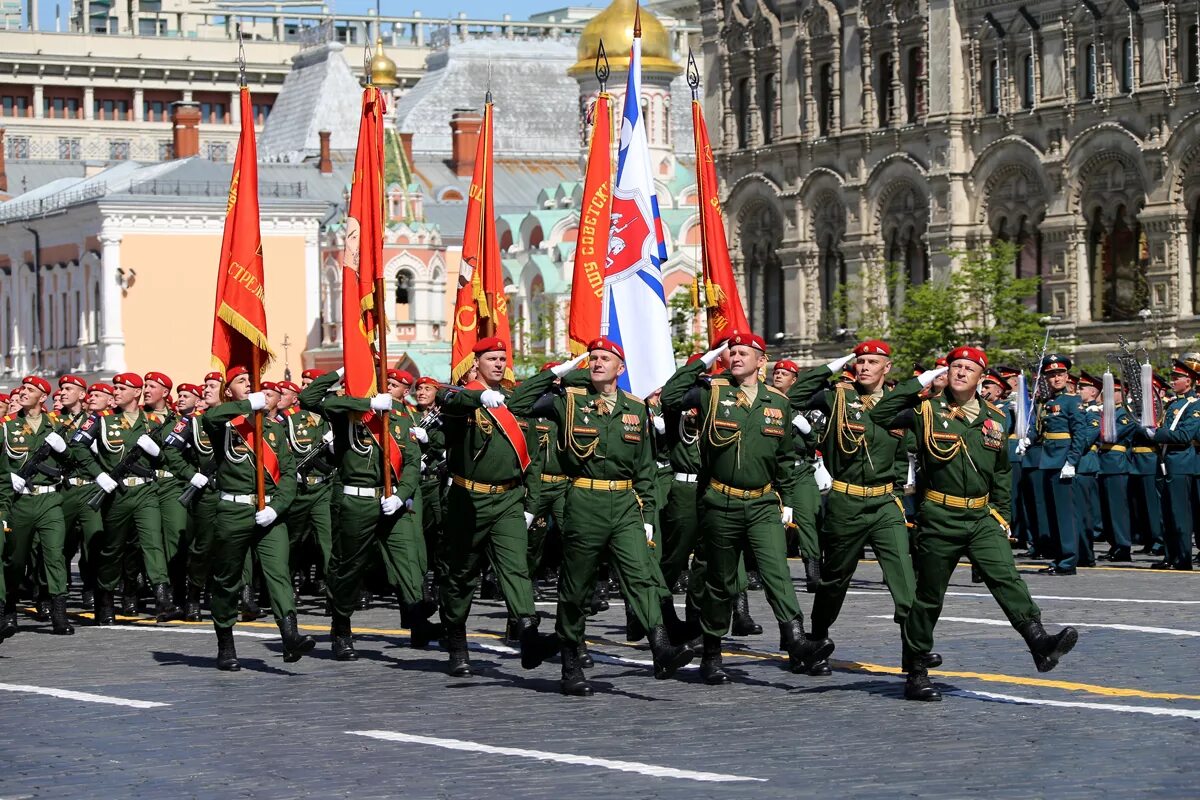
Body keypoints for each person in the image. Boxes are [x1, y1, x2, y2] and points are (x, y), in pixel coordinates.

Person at [868, 346, 1079, 701]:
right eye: (955, 367)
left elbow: (1000, 473)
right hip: (940, 516)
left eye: (969, 368)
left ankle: (1039, 641)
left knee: (1006, 577)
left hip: (981, 515)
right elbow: (879, 415)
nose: (961, 373)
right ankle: (916, 668)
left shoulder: (995, 418)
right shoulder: (925, 410)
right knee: (929, 596)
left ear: (981, 377)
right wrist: (918, 382)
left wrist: (1003, 518)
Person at [511, 340, 695, 695]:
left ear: (620, 368)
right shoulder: (567, 402)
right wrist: (557, 373)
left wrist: (646, 514)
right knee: (576, 586)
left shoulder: (635, 408)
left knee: (640, 576)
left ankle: (661, 649)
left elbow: (644, 465)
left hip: (626, 502)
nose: (596, 363)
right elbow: (516, 404)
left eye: (604, 359)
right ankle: (569, 662)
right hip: (584, 499)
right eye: (593, 358)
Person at [662, 333, 830, 684]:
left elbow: (784, 457)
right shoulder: (711, 392)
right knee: (720, 581)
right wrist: (707, 359)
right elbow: (671, 396)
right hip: (720, 501)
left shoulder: (777, 403)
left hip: (763, 502)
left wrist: (788, 502)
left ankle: (796, 640)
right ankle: (712, 651)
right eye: (732, 353)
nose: (735, 358)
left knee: (776, 572)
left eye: (743, 353)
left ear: (761, 360)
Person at [786, 341, 918, 667]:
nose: (864, 367)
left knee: (904, 581)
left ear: (887, 367)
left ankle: (916, 663)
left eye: (873, 361)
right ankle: (816, 638)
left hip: (886, 502)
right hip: (846, 500)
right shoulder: (836, 397)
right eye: (859, 361)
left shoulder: (902, 402)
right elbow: (797, 395)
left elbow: (907, 451)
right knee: (834, 580)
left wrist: (900, 491)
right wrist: (832, 365)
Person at [299, 367, 440, 659]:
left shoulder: (401, 416)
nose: (384, 386)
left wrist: (401, 496)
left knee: (407, 562)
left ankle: (417, 623)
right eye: (380, 381)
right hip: (356, 502)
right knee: (349, 568)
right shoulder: (347, 413)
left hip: (392, 501)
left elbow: (412, 462)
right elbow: (309, 398)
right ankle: (341, 627)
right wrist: (344, 373)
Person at [434, 337, 550, 678]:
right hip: (467, 500)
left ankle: (528, 635)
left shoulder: (513, 401)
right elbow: (446, 399)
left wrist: (531, 500)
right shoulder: (463, 397)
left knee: (516, 568)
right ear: (476, 364)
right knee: (461, 576)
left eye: (502, 358)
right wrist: (479, 396)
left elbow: (532, 456)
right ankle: (456, 639)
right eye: (491, 359)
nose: (499, 364)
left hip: (508, 499)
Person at [201, 366, 314, 670]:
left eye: (251, 382)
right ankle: (225, 642)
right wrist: (245, 407)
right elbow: (209, 417)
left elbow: (289, 473)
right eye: (241, 382)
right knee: (227, 580)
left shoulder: (275, 428)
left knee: (279, 573)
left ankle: (290, 636)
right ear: (229, 392)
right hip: (233, 511)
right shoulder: (225, 424)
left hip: (269, 512)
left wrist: (278, 506)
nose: (250, 385)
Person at [68, 373, 180, 623]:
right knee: (112, 550)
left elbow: (170, 456)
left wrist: (157, 452)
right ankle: (105, 597)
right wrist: (99, 474)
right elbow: (77, 446)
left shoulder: (152, 422)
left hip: (146, 491)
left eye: (121, 388)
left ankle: (163, 598)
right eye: (115, 388)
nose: (115, 392)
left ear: (136, 392)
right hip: (116, 493)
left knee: (152, 542)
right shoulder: (102, 420)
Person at [2, 376, 74, 636]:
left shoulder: (57, 424)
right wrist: (8, 477)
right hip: (20, 502)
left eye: (30, 390)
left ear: (43, 397)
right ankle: (9, 611)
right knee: (14, 559)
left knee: (55, 555)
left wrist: (64, 449)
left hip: (50, 499)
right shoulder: (7, 426)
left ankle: (59, 614)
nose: (22, 392)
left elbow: (74, 460)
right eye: (22, 388)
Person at [1021, 355, 1088, 575]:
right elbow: (1040, 428)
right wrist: (1028, 438)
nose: (1056, 378)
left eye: (1060, 374)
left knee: (1065, 514)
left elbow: (1080, 434)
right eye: (1051, 375)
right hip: (1048, 460)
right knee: (1052, 513)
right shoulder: (1047, 402)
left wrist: (1072, 461)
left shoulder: (1072, 401)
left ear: (1067, 376)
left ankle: (1068, 560)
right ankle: (1059, 557)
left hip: (1062, 462)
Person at [1146, 360, 1200, 570]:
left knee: (1180, 514)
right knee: (1166, 513)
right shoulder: (1171, 405)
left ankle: (1183, 558)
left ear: (1189, 381)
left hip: (1181, 463)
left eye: (1177, 377)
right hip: (1165, 462)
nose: (1173, 380)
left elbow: (1185, 435)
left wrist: (1157, 434)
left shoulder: (1195, 405)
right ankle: (1170, 555)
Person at [1097, 378, 1137, 562]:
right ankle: (1114, 545)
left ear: (1123, 393)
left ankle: (1123, 546)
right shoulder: (1107, 413)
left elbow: (1111, 435)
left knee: (1118, 509)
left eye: (1113, 391)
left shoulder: (1127, 414)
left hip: (1117, 463)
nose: (1108, 395)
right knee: (1107, 509)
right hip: (1103, 463)